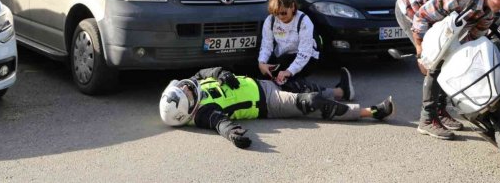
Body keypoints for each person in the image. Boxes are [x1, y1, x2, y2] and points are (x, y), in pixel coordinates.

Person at [395, 0, 500, 140]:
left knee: (451, 58)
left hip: (443, 16)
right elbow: (421, 18)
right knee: (435, 62)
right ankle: (427, 120)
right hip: (412, 7)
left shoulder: (491, 10)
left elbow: (472, 40)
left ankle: (440, 110)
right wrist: (420, 52)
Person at [158, 67, 395, 148]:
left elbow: (202, 72)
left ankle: (342, 92)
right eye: (186, 93)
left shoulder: (193, 84)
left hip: (261, 84)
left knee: (298, 84)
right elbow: (220, 123)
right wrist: (233, 134)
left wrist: (221, 73)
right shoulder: (202, 113)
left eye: (185, 88)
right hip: (269, 104)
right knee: (309, 102)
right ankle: (372, 112)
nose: (189, 88)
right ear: (185, 110)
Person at [259, 0, 333, 94]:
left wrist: (289, 72)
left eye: (283, 13)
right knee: (267, 80)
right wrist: (262, 63)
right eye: (276, 13)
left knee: (288, 84)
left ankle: (335, 92)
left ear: (292, 7)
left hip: (307, 58)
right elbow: (266, 45)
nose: (280, 17)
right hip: (283, 57)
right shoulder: (270, 20)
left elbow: (305, 53)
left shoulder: (304, 21)